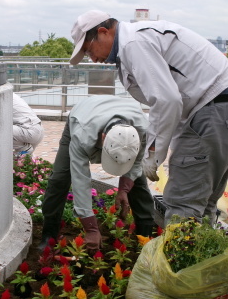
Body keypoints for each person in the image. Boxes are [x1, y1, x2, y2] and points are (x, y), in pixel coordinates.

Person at [69, 10, 228, 227]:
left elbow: (167, 100)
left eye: (89, 50)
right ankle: (202, 257)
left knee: (183, 204)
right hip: (227, 107)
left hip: (213, 110)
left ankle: (178, 259)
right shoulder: (136, 40)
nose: (94, 59)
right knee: (205, 203)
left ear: (103, 32)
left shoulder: (132, 44)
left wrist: (153, 155)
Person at [39, 95, 156, 253]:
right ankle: (49, 235)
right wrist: (91, 228)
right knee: (60, 179)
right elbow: (81, 180)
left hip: (119, 112)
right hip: (82, 115)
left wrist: (124, 189)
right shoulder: (82, 136)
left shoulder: (144, 131)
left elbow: (136, 162)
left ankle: (146, 236)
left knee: (139, 183)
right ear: (103, 138)